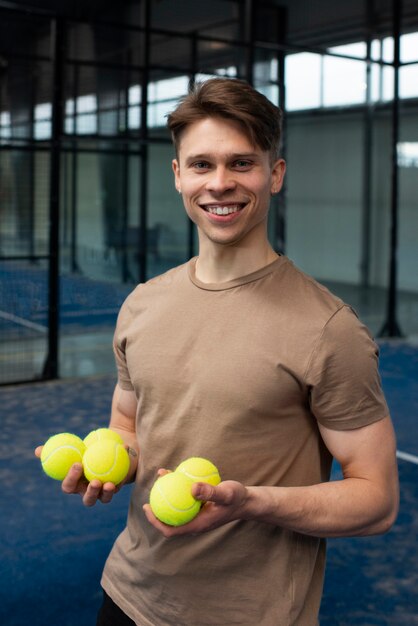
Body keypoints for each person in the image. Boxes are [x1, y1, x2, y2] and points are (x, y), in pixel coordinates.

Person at [35, 77, 399, 626]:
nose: (220, 184)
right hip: (129, 595)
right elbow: (129, 428)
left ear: (274, 175)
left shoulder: (329, 329)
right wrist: (110, 465)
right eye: (202, 164)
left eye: (242, 164)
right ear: (179, 174)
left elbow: (377, 501)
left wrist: (250, 501)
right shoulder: (142, 305)